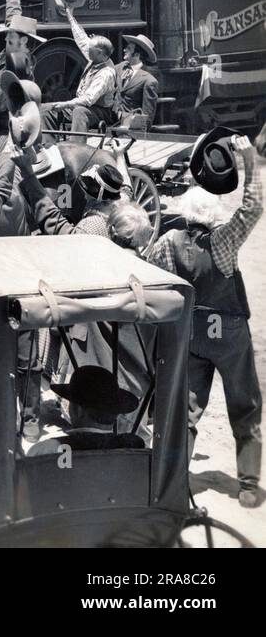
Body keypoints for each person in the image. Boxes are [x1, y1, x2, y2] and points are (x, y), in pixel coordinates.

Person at [147, 136, 262, 508]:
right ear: (213, 216)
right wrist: (250, 161)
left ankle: (175, 479)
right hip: (227, 330)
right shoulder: (224, 241)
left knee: (188, 408)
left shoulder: (168, 241)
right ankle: (247, 484)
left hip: (191, 331)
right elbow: (253, 206)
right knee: (244, 404)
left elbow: (154, 276)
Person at [43, 5, 119, 133]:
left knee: (79, 112)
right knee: (45, 109)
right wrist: (69, 15)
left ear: (100, 53)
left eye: (90, 49)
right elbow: (81, 39)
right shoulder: (95, 57)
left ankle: (77, 147)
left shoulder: (106, 73)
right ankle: (48, 145)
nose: (87, 50)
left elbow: (88, 99)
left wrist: (65, 104)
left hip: (100, 111)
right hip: (83, 105)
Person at [116, 34, 159, 130]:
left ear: (137, 54)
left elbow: (147, 117)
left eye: (128, 48)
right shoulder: (120, 67)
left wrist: (139, 136)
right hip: (111, 121)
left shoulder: (149, 81)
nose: (124, 50)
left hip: (130, 126)